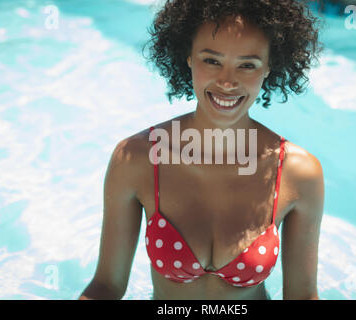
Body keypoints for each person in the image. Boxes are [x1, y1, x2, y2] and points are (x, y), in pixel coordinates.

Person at [79, 0, 324, 300]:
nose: (227, 82)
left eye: (247, 65)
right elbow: (106, 287)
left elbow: (301, 296)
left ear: (270, 67)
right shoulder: (136, 159)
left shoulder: (298, 172)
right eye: (212, 60)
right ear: (188, 57)